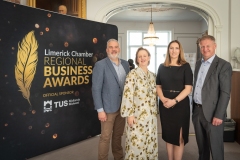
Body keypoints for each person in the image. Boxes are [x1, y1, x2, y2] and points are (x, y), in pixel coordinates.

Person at [192, 35, 232, 160]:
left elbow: (225, 92)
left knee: (215, 148)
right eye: (202, 46)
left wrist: (219, 115)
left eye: (208, 46)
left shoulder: (223, 65)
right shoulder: (198, 63)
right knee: (202, 148)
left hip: (213, 113)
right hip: (197, 111)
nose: (205, 49)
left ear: (215, 46)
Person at [92, 39, 130, 160]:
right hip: (107, 109)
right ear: (107, 49)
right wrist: (100, 110)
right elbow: (96, 89)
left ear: (119, 49)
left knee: (118, 136)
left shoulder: (125, 64)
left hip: (122, 108)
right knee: (105, 137)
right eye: (111, 47)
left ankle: (118, 157)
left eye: (116, 47)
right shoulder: (100, 65)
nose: (113, 49)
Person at [156, 40, 193, 160]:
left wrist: (174, 101)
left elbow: (188, 89)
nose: (174, 51)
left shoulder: (186, 67)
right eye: (171, 48)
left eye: (176, 48)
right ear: (168, 50)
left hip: (180, 106)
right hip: (165, 105)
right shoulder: (162, 67)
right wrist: (162, 99)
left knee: (179, 136)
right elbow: (158, 86)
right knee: (168, 135)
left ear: (180, 50)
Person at [121, 47, 158, 159]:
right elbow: (127, 95)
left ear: (149, 57)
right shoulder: (132, 74)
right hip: (137, 116)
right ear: (137, 59)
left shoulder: (153, 76)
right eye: (139, 56)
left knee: (150, 143)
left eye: (144, 56)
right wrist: (129, 115)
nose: (142, 58)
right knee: (136, 144)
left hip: (151, 118)